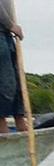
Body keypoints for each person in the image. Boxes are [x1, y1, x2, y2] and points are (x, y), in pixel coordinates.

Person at [0, 0, 26, 133]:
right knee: (4, 82)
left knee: (17, 81)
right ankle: (2, 126)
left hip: (6, 34)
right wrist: (11, 25)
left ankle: (20, 120)